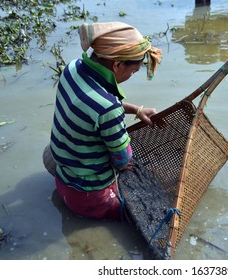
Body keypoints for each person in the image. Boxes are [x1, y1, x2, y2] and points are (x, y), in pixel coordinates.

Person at [48, 22, 162, 221]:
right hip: (88, 197)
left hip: (61, 172)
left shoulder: (72, 69)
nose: (131, 76)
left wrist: (137, 110)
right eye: (133, 71)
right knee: (143, 212)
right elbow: (122, 159)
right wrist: (124, 162)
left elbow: (96, 107)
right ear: (117, 65)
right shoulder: (108, 108)